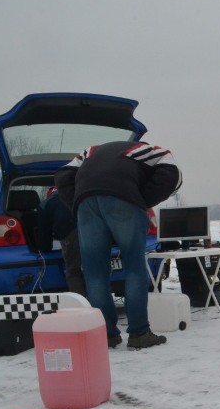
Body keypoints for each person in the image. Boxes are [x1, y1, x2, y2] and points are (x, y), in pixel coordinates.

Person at [54, 141, 182, 349]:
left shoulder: (92, 151)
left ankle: (106, 334)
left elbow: (62, 175)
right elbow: (169, 175)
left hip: (86, 202)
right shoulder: (159, 153)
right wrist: (141, 201)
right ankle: (139, 333)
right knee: (134, 268)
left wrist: (76, 203)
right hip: (123, 200)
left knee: (94, 274)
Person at [35, 187, 86, 297]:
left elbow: (44, 232)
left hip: (71, 236)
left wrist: (44, 248)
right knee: (95, 271)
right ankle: (100, 304)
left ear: (49, 195)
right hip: (93, 231)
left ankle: (82, 304)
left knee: (73, 271)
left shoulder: (45, 204)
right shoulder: (81, 197)